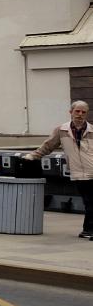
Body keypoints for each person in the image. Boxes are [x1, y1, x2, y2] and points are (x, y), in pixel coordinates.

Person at [26, 100, 93, 239]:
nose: (80, 114)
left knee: (90, 201)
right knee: (89, 201)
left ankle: (88, 230)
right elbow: (48, 146)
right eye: (77, 111)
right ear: (71, 112)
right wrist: (33, 156)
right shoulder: (61, 131)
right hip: (79, 173)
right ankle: (88, 230)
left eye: (83, 112)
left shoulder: (92, 130)